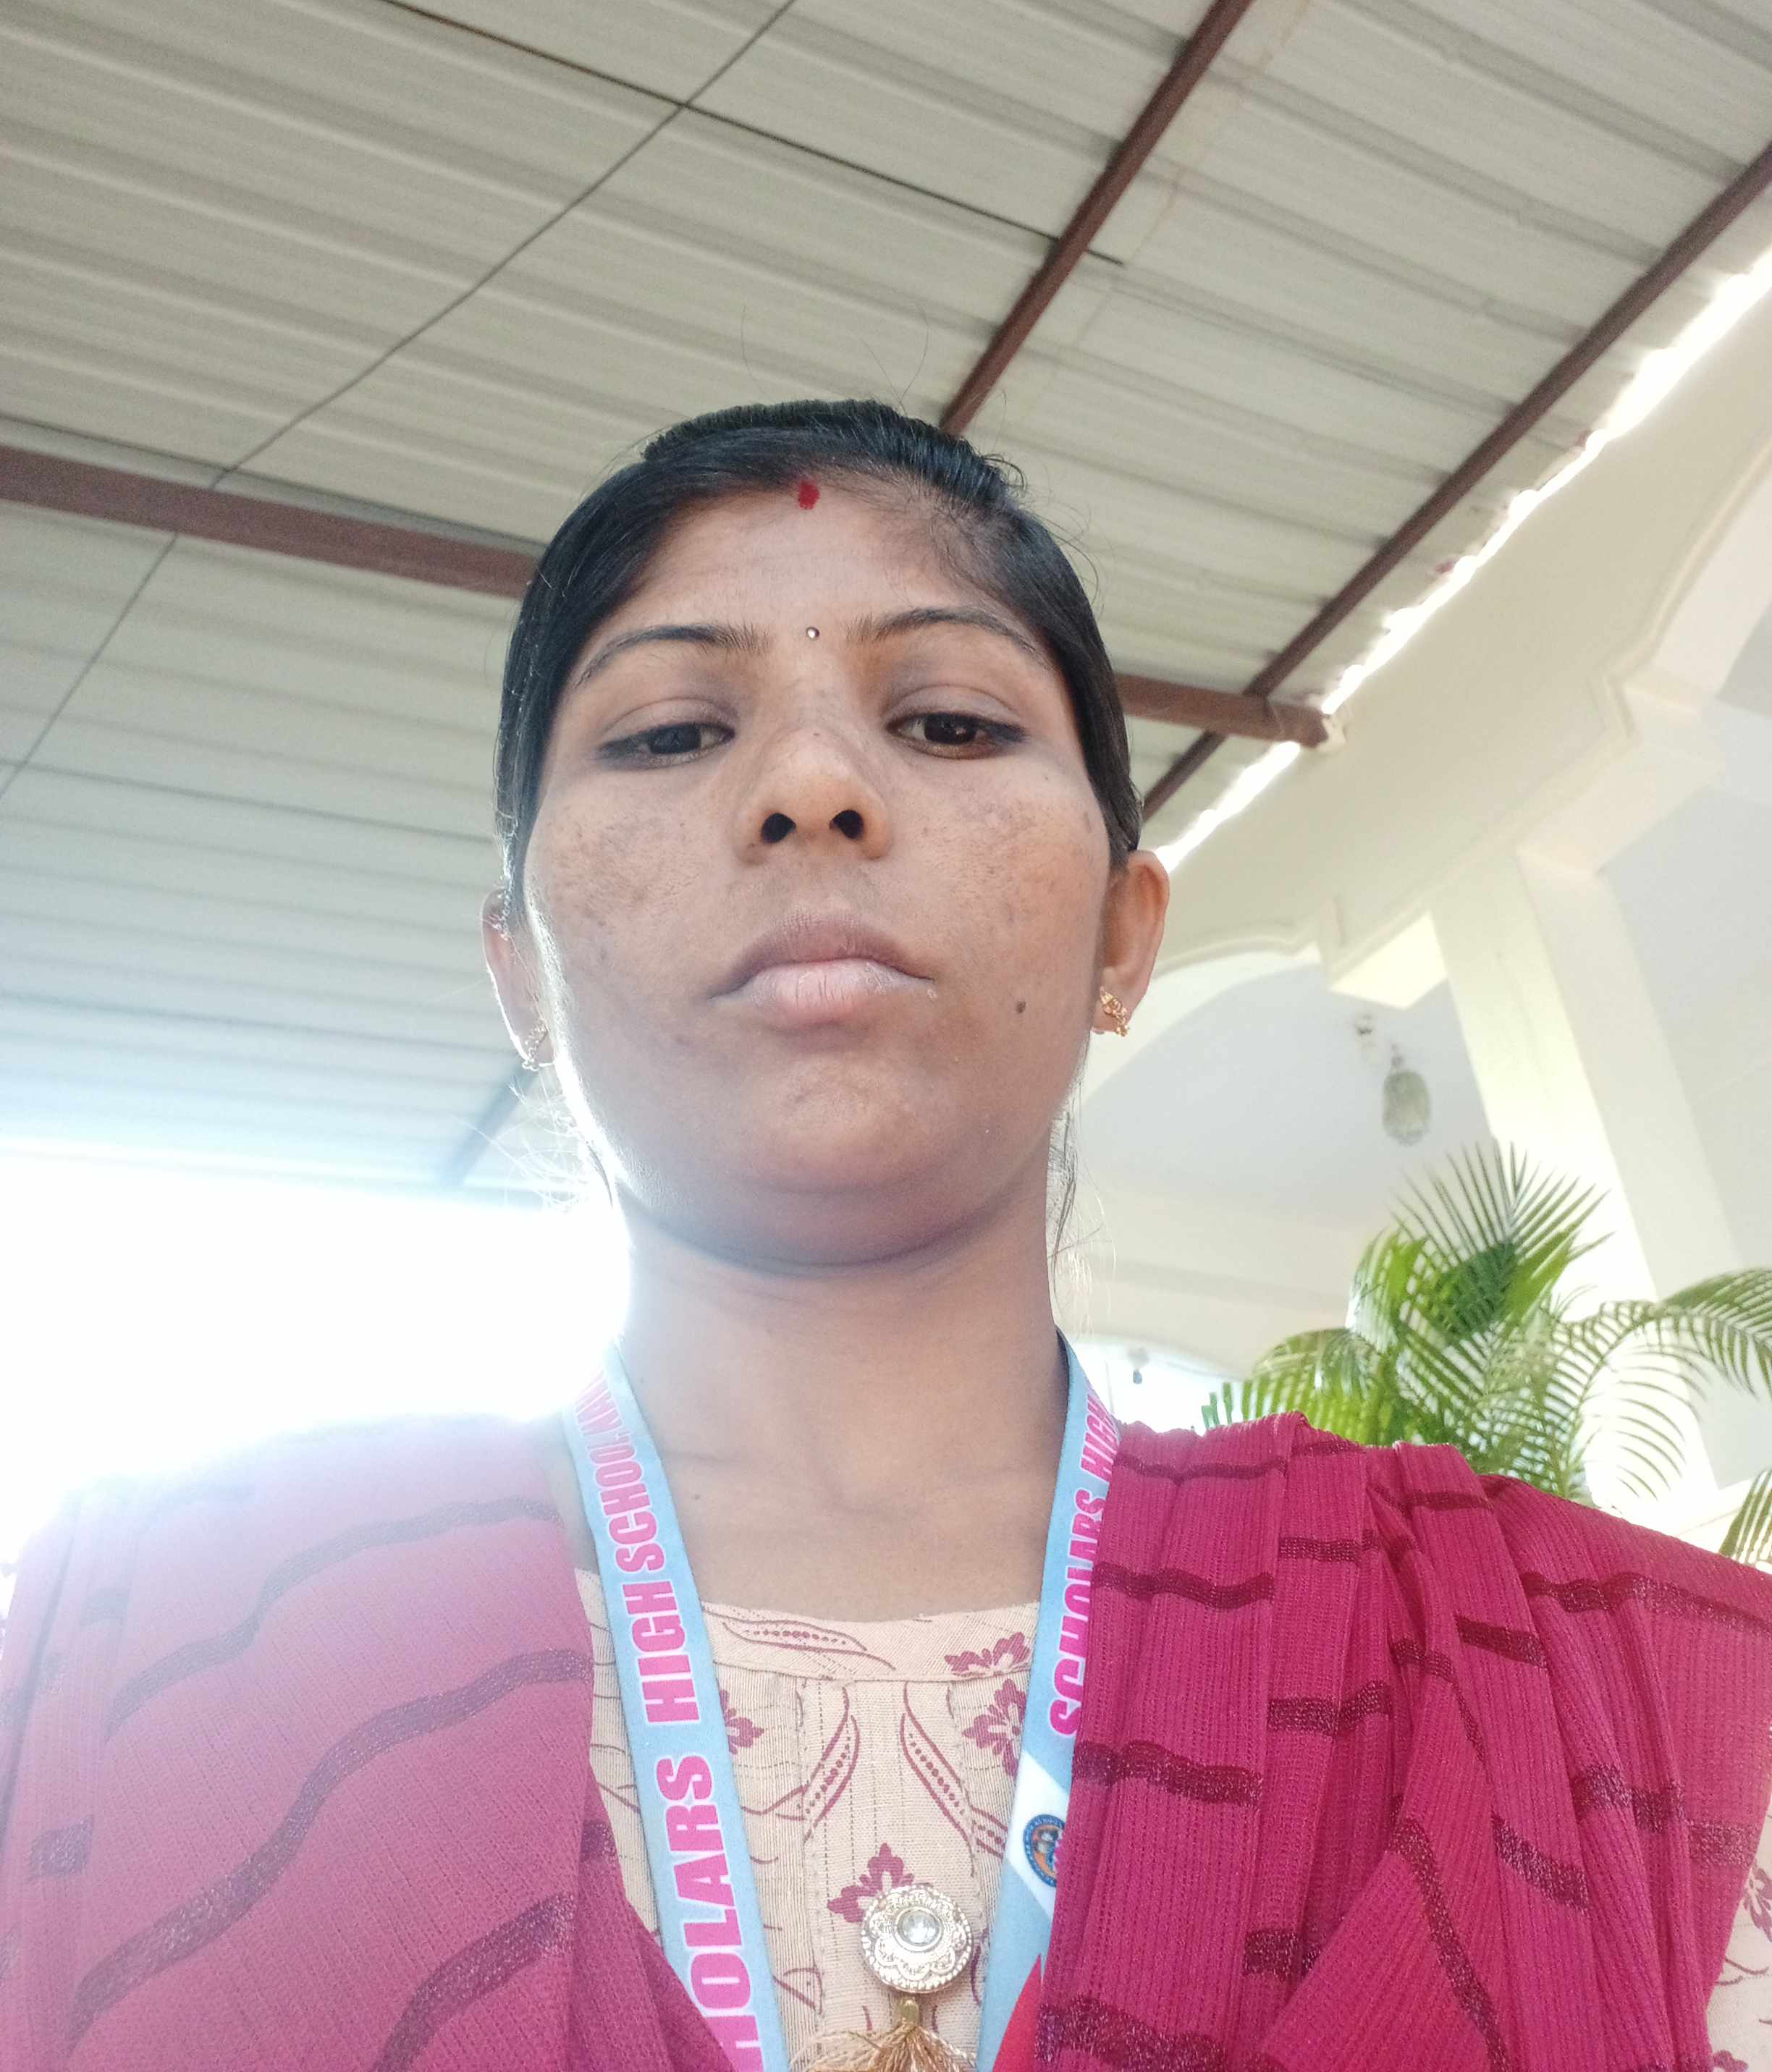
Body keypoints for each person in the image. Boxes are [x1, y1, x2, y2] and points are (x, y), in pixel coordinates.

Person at [2, 399, 1768, 2071]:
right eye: (669, 732)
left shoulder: (1629, 1706)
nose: (810, 787)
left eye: (950, 722)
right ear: (519, 972)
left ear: (1124, 936)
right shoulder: (135, 1658)